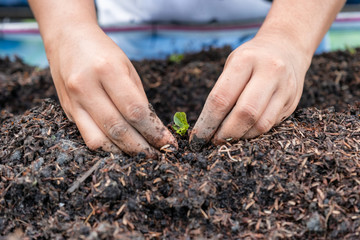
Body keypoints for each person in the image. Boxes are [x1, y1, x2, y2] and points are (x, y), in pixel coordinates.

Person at [28, 0, 346, 157]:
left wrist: (291, 36)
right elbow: (67, 28)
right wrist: (67, 29)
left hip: (285, 27)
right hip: (118, 38)